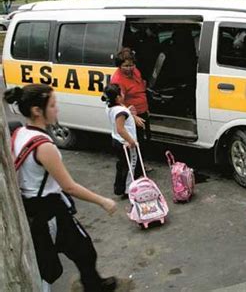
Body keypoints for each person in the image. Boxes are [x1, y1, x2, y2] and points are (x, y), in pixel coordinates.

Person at [4, 84, 118, 292]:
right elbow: (70, 187)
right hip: (48, 211)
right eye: (53, 105)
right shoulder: (45, 146)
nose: (57, 109)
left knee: (78, 252)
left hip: (35, 207)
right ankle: (93, 286)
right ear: (37, 110)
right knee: (57, 263)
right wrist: (103, 201)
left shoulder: (20, 132)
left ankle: (93, 284)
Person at [102, 84, 143, 200]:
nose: (123, 94)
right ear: (118, 97)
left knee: (122, 165)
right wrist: (132, 142)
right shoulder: (121, 112)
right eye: (121, 93)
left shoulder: (110, 106)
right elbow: (121, 129)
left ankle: (120, 188)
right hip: (125, 143)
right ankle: (128, 190)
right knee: (130, 167)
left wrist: (129, 112)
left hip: (116, 140)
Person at [111, 48, 150, 148]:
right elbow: (118, 102)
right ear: (120, 66)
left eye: (131, 65)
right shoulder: (118, 80)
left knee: (145, 141)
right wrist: (133, 117)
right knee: (136, 144)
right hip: (132, 116)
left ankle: (140, 164)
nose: (129, 68)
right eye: (126, 66)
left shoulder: (135, 71)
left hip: (143, 111)